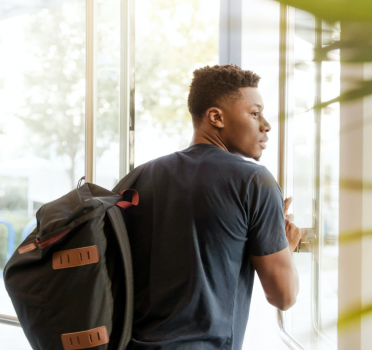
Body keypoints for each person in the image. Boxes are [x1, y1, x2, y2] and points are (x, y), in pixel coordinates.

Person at [124, 64, 301, 350]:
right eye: (255, 113)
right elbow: (284, 296)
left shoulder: (138, 177)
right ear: (216, 117)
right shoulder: (254, 180)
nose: (266, 125)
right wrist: (286, 245)